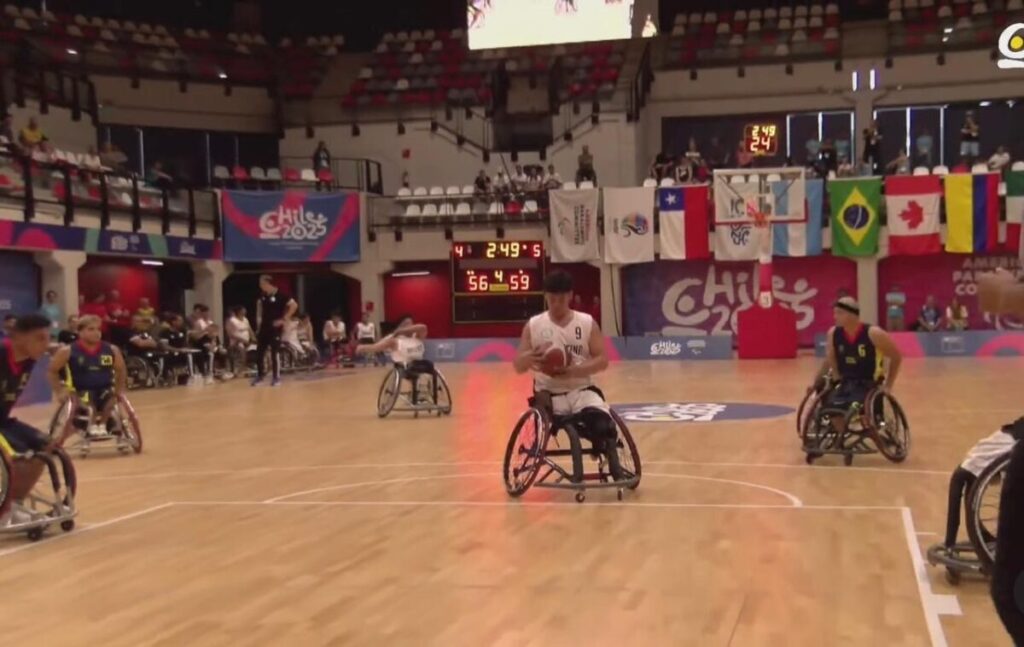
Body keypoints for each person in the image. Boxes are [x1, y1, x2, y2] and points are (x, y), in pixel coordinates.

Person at [512, 270, 621, 479]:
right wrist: (529, 357)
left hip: (581, 390)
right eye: (552, 299)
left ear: (570, 296)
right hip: (548, 394)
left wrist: (574, 371)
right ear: (546, 296)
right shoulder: (534, 325)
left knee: (604, 426)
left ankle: (603, 448)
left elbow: (602, 360)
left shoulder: (587, 323)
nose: (556, 304)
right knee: (563, 424)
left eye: (561, 299)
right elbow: (518, 365)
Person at [0, 315, 57, 528]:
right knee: (15, 456)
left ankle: (14, 505)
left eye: (48, 338)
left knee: (47, 445)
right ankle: (4, 510)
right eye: (40, 338)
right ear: (19, 337)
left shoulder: (29, 360)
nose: (46, 344)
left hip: (3, 421)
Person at [823, 297, 903, 433]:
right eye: (834, 313)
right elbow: (831, 356)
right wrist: (835, 376)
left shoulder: (873, 333)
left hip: (869, 382)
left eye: (839, 313)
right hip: (847, 381)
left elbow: (896, 356)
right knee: (831, 409)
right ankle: (843, 436)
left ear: (852, 314)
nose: (835, 317)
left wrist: (889, 385)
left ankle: (868, 424)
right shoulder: (833, 333)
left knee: (855, 407)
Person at [47, 314, 127, 437]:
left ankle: (102, 425)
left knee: (111, 400)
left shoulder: (111, 349)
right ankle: (92, 425)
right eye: (91, 329)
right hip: (80, 390)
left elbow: (121, 370)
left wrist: (119, 389)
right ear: (80, 332)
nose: (96, 333)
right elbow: (52, 371)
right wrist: (59, 391)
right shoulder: (68, 351)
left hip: (105, 388)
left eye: (98, 329)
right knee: (89, 405)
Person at [253, 275, 296, 387]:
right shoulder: (263, 296)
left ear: (268, 283)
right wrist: (258, 326)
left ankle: (276, 377)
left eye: (262, 283)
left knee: (274, 352)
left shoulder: (281, 295)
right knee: (259, 352)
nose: (260, 286)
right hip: (264, 328)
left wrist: (284, 319)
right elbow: (260, 312)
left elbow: (294, 305)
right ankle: (260, 376)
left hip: (275, 328)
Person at [355, 315, 427, 369]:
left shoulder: (417, 337)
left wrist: (400, 331)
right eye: (407, 324)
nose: (410, 326)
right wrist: (362, 347)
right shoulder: (395, 341)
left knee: (428, 365)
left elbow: (423, 327)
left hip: (420, 365)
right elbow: (375, 347)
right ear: (401, 326)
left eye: (411, 323)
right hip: (405, 367)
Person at [225, 306, 254, 377]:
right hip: (236, 342)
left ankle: (245, 369)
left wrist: (253, 338)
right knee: (241, 351)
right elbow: (230, 333)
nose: (244, 312)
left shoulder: (245, 319)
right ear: (238, 312)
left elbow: (249, 329)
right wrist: (242, 340)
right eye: (242, 310)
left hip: (247, 342)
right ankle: (236, 371)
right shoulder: (232, 320)